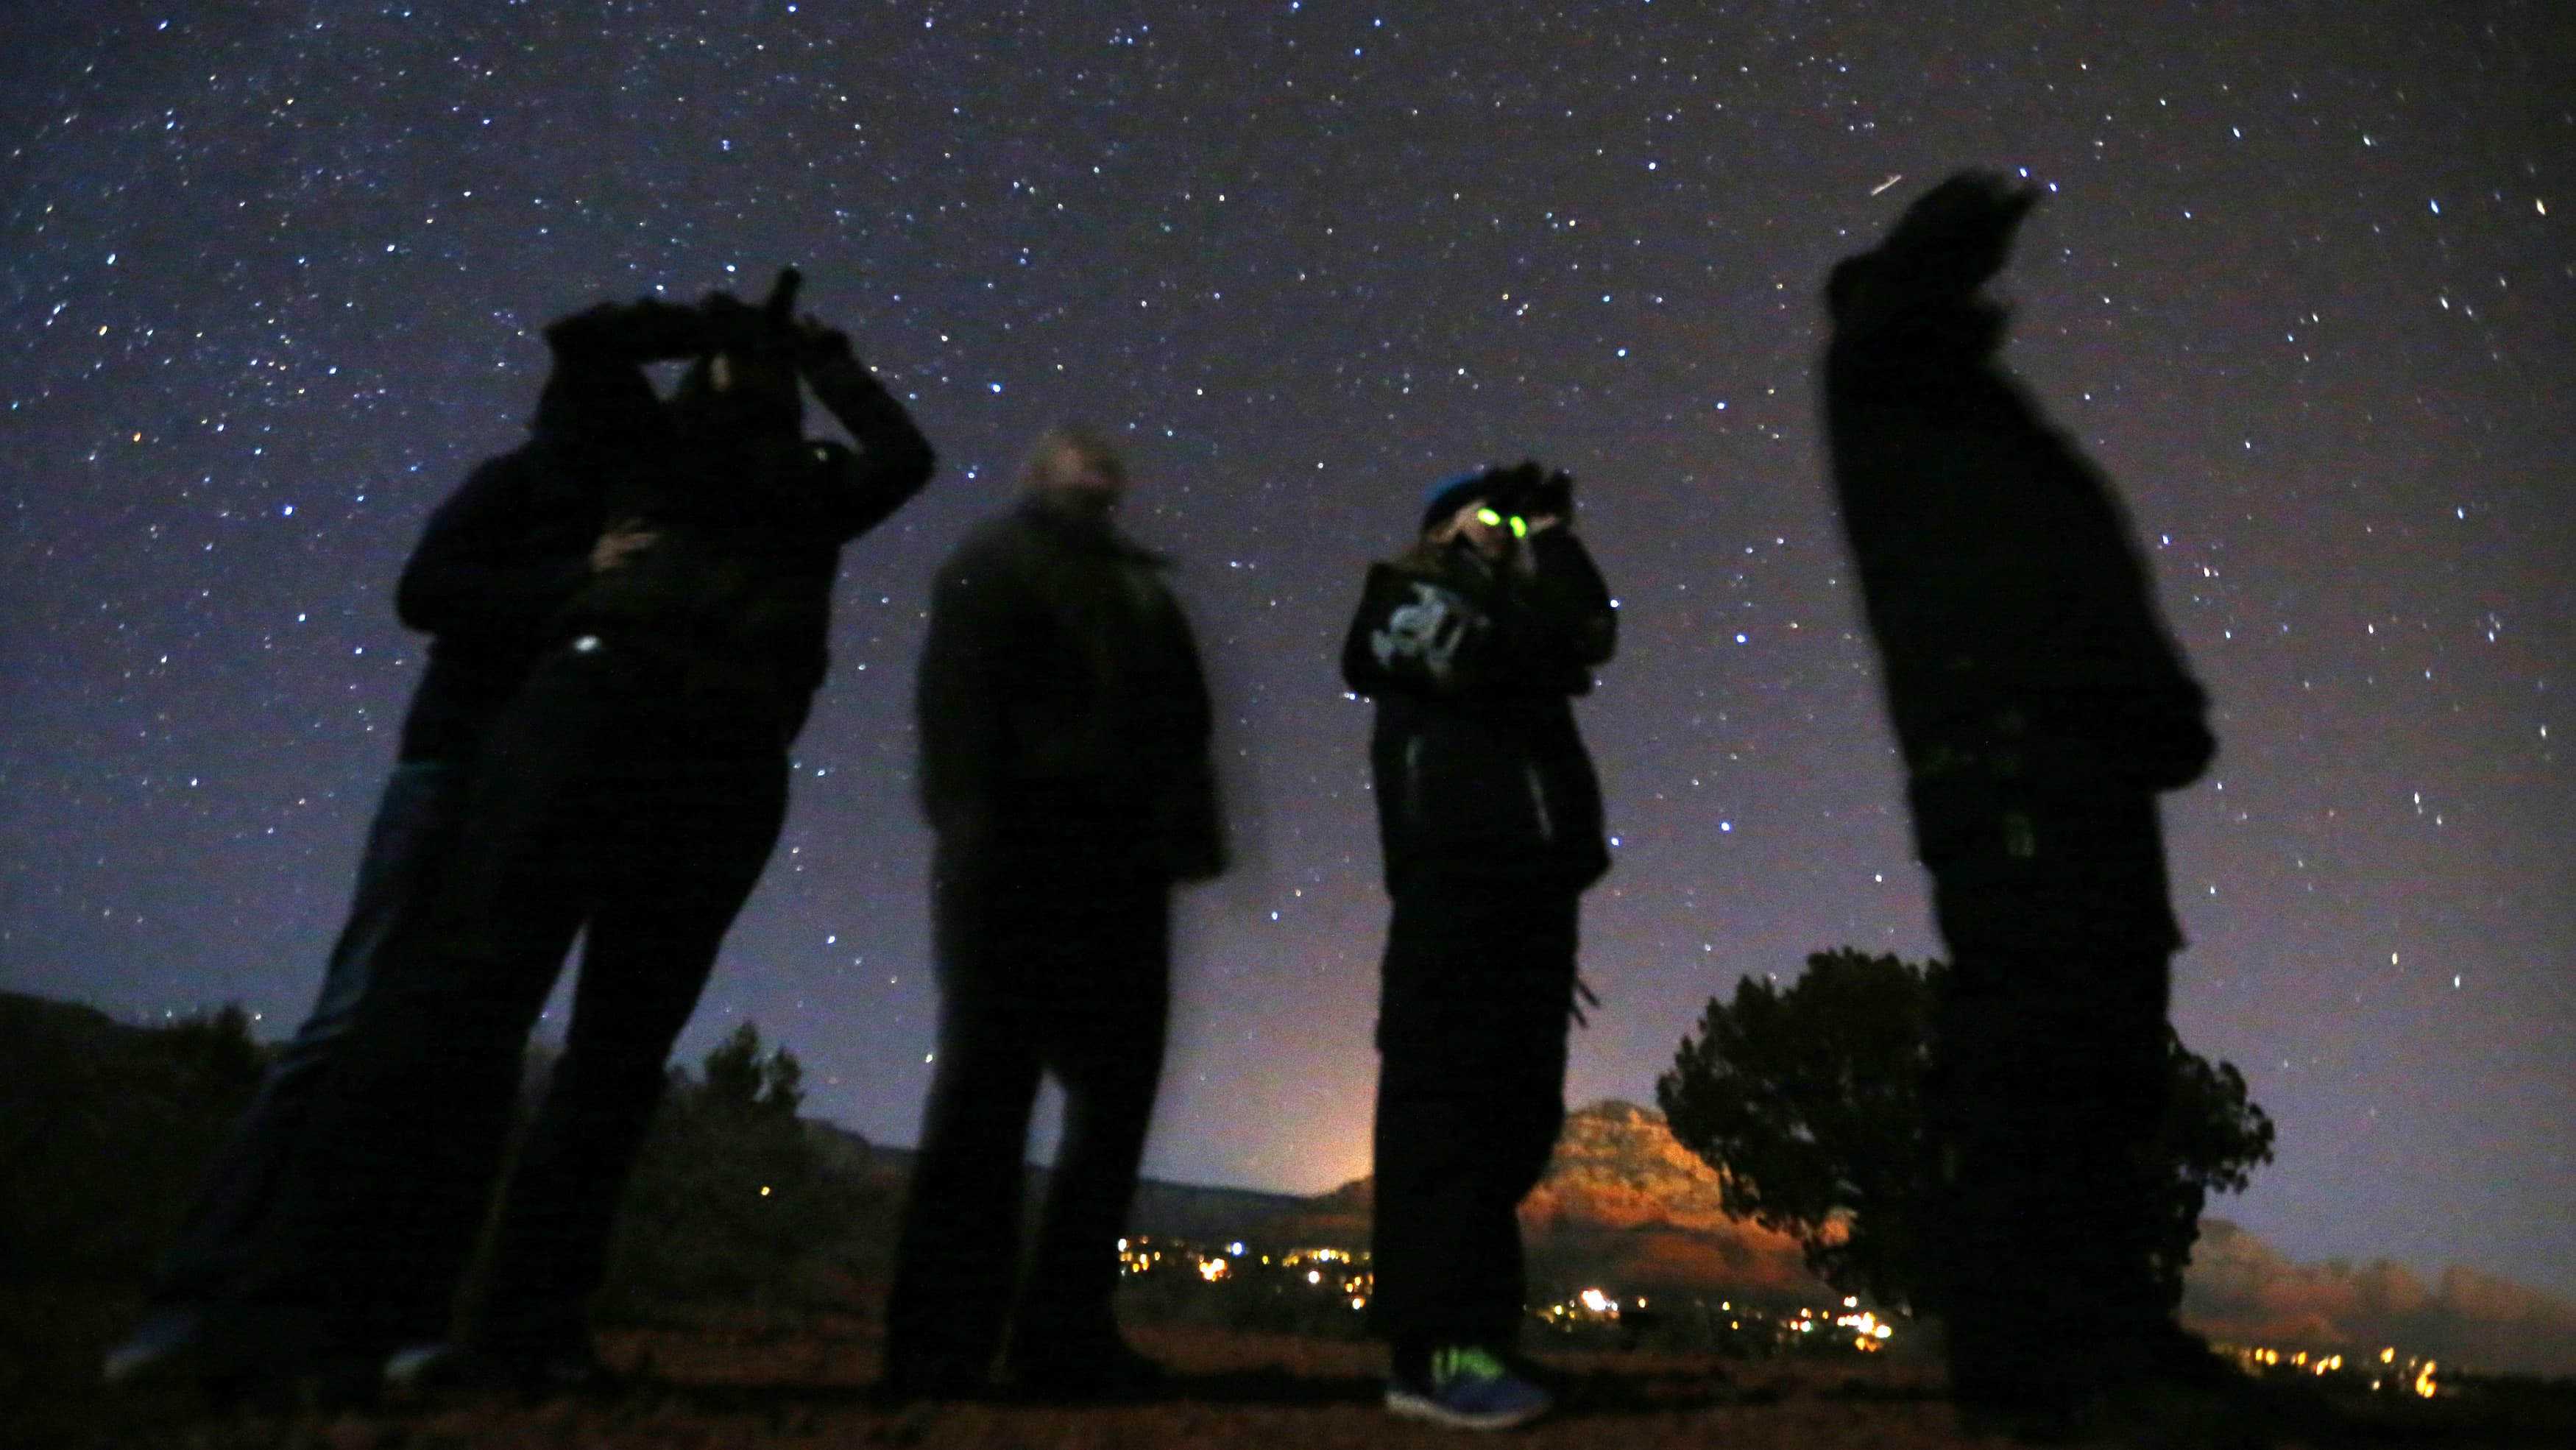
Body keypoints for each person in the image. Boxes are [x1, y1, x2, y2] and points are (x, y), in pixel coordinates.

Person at [221, 273, 936, 1398]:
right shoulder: (645, 443)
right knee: (466, 1002)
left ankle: (530, 1328)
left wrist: (823, 353)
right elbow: (583, 343)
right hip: (595, 712)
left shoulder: (815, 482)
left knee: (618, 1055)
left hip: (731, 752)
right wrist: (705, 324)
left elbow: (908, 456)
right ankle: (335, 1314)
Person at [102, 303, 648, 1387]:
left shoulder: (626, 505)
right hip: (449, 774)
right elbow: (426, 591)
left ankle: (400, 1315)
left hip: (524, 795)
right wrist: (574, 574)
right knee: (349, 1020)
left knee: (466, 1050)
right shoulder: (517, 483)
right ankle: (200, 1296)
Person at [1822, 174, 2236, 1442]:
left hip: (2077, 745)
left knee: (2110, 1045)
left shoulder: (1970, 412)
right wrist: (1944, 237)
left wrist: (2150, 697)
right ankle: (2029, 1369)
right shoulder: (1887, 380)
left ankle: (2105, 1330)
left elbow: (2068, 563)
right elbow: (1896, 313)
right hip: (2003, 745)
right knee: (2039, 1039)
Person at [882, 425, 1224, 1401]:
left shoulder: (1142, 589)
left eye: (1106, 458)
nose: (1099, 468)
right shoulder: (994, 563)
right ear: (1040, 472)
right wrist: (972, 831)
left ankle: (1064, 1334)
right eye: (1077, 455)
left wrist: (1186, 841)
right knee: (988, 1098)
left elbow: (1184, 725)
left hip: (1124, 868)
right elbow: (956, 704)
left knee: (1111, 1111)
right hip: (1022, 860)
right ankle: (939, 1349)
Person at [1339, 461, 1616, 1431]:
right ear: (1440, 530)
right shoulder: (1404, 604)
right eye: (1490, 515)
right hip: (1456, 887)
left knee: (1512, 1129)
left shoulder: (1528, 634)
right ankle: (1435, 1358)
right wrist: (1510, 552)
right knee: (1446, 1124)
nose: (1510, 530)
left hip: (1534, 899)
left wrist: (1552, 538)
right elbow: (1501, 651)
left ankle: (1483, 1346)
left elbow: (1589, 630)